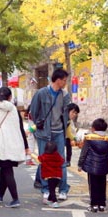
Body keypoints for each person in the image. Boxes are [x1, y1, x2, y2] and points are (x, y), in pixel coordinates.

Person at [29, 68, 71, 201]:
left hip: (59, 132)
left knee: (61, 162)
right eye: (64, 80)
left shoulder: (64, 95)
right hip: (44, 133)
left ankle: (63, 189)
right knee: (44, 161)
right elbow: (34, 112)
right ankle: (45, 189)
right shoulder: (41, 93)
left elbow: (66, 115)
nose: (65, 83)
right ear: (58, 80)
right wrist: (39, 126)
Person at [0, 87, 30, 208]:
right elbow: (21, 128)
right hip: (14, 143)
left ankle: (15, 199)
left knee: (7, 170)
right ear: (10, 97)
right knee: (5, 169)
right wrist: (26, 146)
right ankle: (0, 195)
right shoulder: (14, 109)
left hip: (0, 144)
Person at [78, 118, 108, 213]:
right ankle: (102, 205)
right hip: (103, 167)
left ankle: (94, 205)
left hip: (92, 167)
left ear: (93, 129)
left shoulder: (89, 139)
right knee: (102, 185)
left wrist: (80, 164)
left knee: (93, 186)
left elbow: (84, 152)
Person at [38, 141, 64, 208]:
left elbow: (40, 159)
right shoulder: (57, 155)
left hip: (50, 176)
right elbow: (62, 161)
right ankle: (49, 199)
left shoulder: (44, 156)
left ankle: (55, 202)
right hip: (58, 176)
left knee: (52, 190)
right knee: (52, 188)